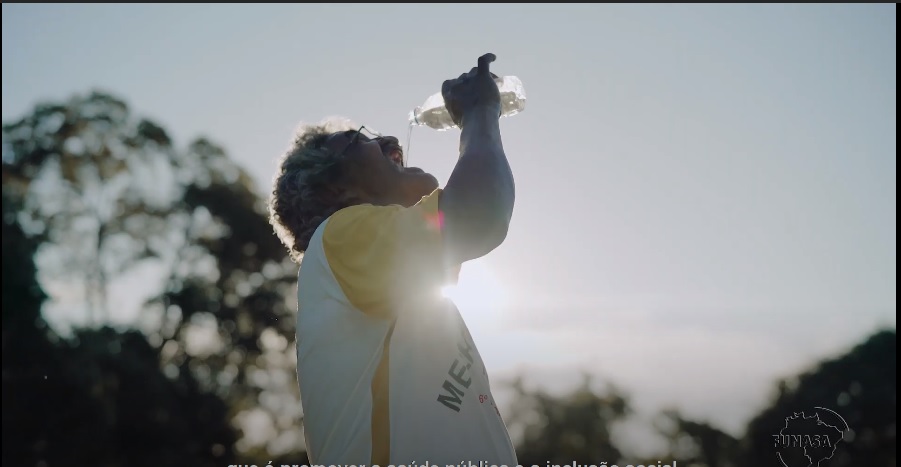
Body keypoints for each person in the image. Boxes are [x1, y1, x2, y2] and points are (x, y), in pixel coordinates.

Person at [268, 53, 518, 464]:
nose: (391, 142)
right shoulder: (341, 236)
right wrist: (480, 112)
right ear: (334, 192)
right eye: (359, 139)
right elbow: (480, 212)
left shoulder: (390, 275)